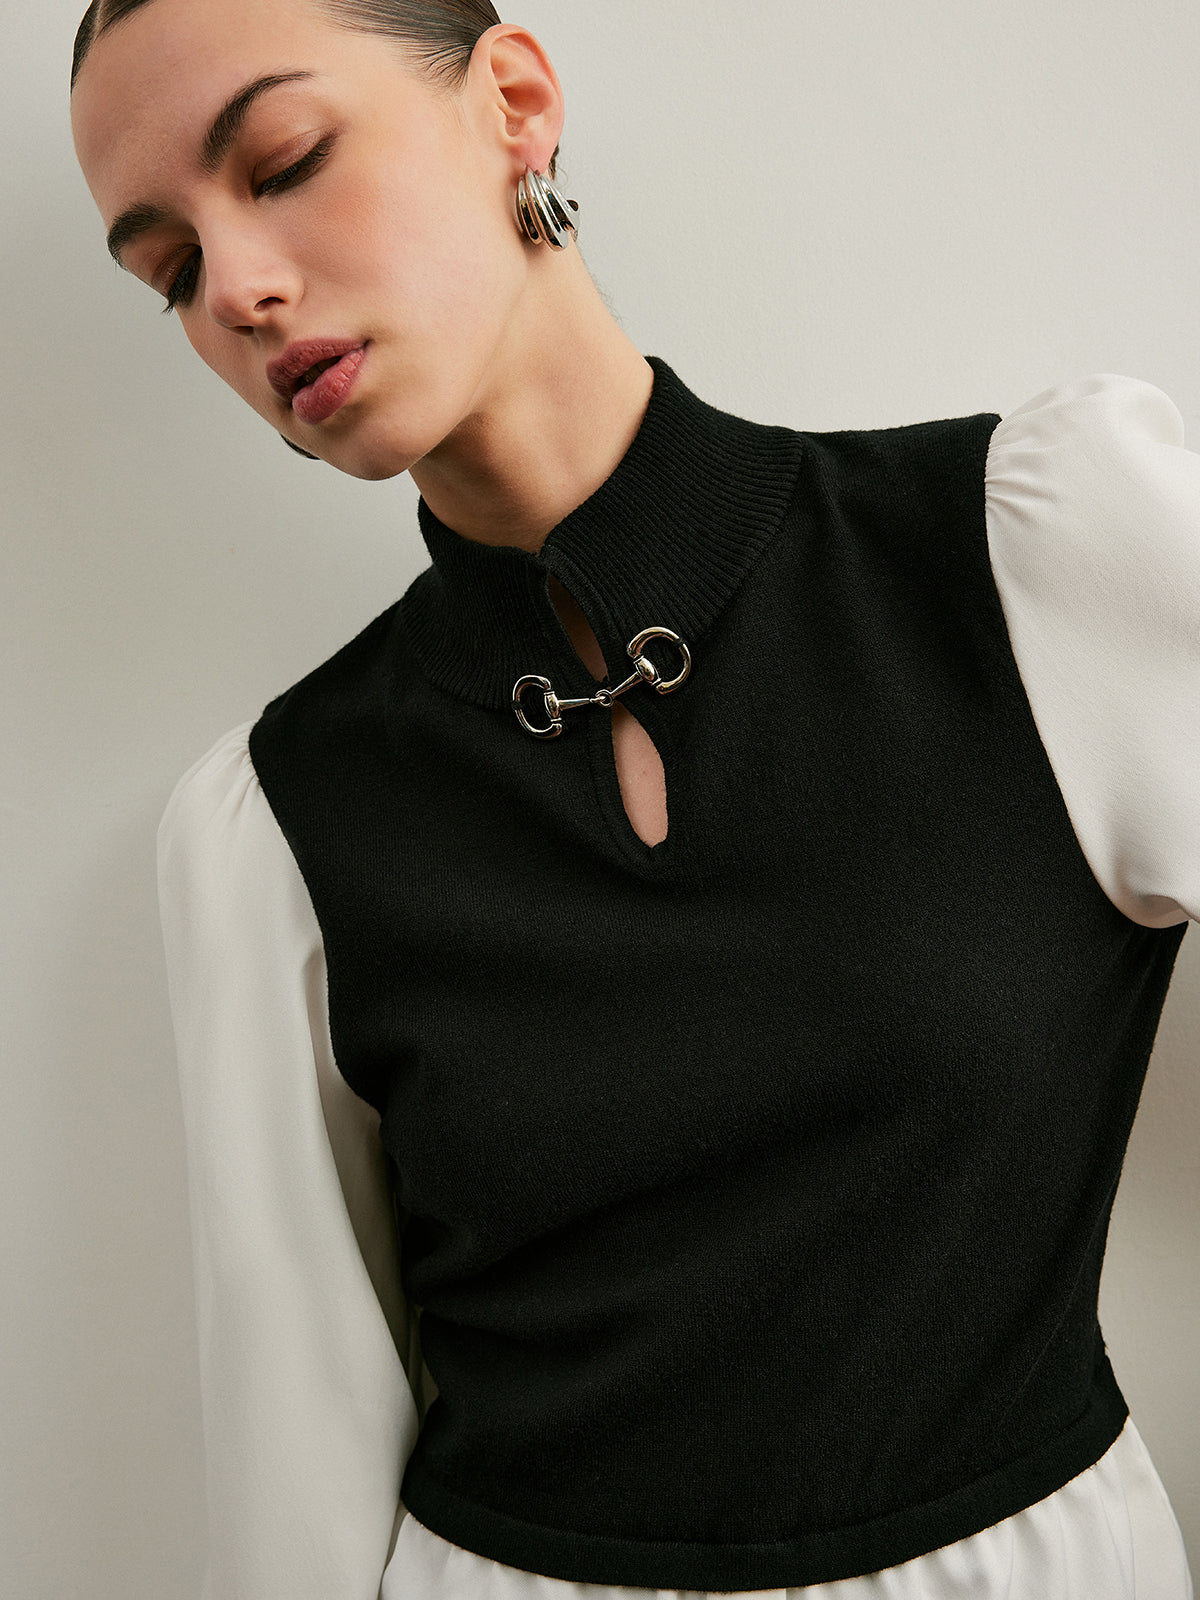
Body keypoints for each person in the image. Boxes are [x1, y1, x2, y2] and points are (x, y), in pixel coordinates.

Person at [70, 1, 1199, 1596]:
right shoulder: (275, 823)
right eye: (171, 269)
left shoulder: (1036, 556)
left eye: (287, 159)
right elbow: (297, 1471)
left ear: (515, 102)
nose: (240, 288)